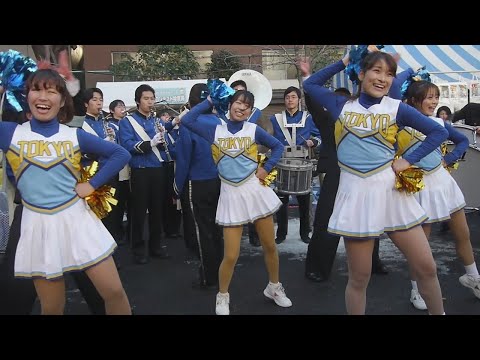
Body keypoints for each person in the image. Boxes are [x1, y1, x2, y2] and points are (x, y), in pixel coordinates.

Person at [303, 50, 448, 315]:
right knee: (359, 278)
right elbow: (309, 84)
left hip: (391, 193)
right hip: (356, 194)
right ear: (361, 74)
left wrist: (407, 160)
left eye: (389, 74)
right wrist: (345, 60)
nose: (383, 78)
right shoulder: (341, 105)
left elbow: (438, 132)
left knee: (427, 267)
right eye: (377, 71)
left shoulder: (396, 107)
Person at [0, 68, 132, 314]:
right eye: (36, 90)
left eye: (51, 91)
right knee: (52, 306)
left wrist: (92, 184)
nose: (43, 97)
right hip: (37, 225)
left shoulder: (74, 135)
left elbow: (120, 153)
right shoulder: (11, 133)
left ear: (62, 101)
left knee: (113, 291)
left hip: (77, 220)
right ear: (26, 95)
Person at [181, 89, 292, 315]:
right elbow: (188, 119)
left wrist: (267, 168)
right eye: (238, 103)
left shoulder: (253, 129)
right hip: (230, 194)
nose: (242, 108)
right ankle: (222, 296)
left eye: (247, 106)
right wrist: (211, 99)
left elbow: (278, 146)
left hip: (255, 191)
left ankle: (274, 287)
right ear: (229, 104)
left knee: (269, 246)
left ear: (251, 111)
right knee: (231, 254)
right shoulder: (214, 129)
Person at [298, 64, 389, 282]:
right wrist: (308, 75)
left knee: (370, 217)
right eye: (337, 100)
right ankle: (317, 268)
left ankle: (373, 262)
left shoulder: (369, 114)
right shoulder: (326, 119)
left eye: (346, 99)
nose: (342, 104)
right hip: (337, 173)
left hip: (365, 173)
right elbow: (312, 95)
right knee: (326, 221)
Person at [396, 80, 480, 309]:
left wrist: (450, 159)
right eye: (428, 97)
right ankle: (417, 290)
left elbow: (462, 141)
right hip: (418, 186)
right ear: (413, 100)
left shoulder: (439, 122)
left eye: (436, 97)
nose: (434, 102)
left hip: (443, 181)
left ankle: (473, 277)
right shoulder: (400, 125)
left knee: (462, 233)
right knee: (420, 244)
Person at [174, 83, 223, 290]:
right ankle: (222, 272)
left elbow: (183, 159)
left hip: (198, 182)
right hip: (221, 181)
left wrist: (176, 187)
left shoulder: (189, 124)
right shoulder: (221, 121)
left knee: (203, 232)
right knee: (218, 229)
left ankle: (208, 277)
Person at [118, 84, 171, 264]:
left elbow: (163, 148)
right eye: (146, 99)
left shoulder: (156, 121)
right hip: (140, 170)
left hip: (157, 168)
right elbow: (126, 145)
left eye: (152, 98)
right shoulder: (128, 121)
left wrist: (163, 140)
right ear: (138, 101)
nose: (150, 102)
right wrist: (151, 143)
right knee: (139, 211)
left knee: (158, 210)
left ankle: (156, 246)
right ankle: (138, 250)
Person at [270, 86, 321, 244]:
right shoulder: (275, 119)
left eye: (293, 97)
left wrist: (313, 142)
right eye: (287, 97)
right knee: (281, 200)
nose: (290, 100)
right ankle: (281, 234)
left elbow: (319, 137)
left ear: (299, 100)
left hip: (302, 162)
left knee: (304, 201)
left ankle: (305, 232)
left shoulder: (308, 118)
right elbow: (269, 138)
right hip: (282, 162)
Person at [229, 80, 262, 247]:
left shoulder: (255, 113)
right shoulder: (223, 115)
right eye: (236, 95)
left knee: (251, 202)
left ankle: (254, 234)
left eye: (245, 102)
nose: (241, 106)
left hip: (248, 163)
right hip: (230, 167)